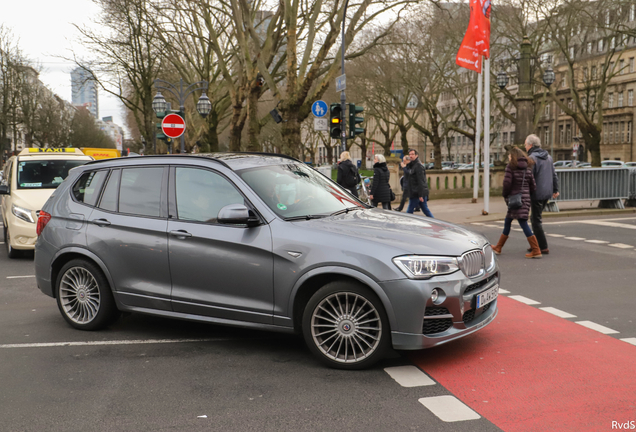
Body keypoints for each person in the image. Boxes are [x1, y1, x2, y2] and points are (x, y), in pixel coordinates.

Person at [491, 147, 542, 259]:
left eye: (509, 155)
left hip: (514, 199)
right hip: (525, 199)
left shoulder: (511, 167)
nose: (508, 157)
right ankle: (498, 247)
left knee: (522, 223)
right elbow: (533, 187)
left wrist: (505, 195)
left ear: (513, 156)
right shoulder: (528, 168)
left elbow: (507, 184)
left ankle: (536, 250)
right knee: (508, 221)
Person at [525, 134, 560, 255]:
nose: (525, 147)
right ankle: (536, 244)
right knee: (535, 217)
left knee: (536, 220)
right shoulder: (548, 157)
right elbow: (554, 174)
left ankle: (543, 246)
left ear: (530, 145)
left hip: (537, 193)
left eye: (525, 144)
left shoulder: (532, 158)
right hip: (547, 192)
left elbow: (528, 177)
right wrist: (555, 189)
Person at [405, 149, 433, 217]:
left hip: (417, 193)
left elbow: (421, 181)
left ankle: (405, 224)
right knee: (425, 209)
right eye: (410, 154)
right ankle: (435, 222)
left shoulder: (418, 166)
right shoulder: (412, 165)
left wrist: (420, 195)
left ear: (416, 155)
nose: (410, 156)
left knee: (409, 211)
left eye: (412, 154)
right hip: (416, 192)